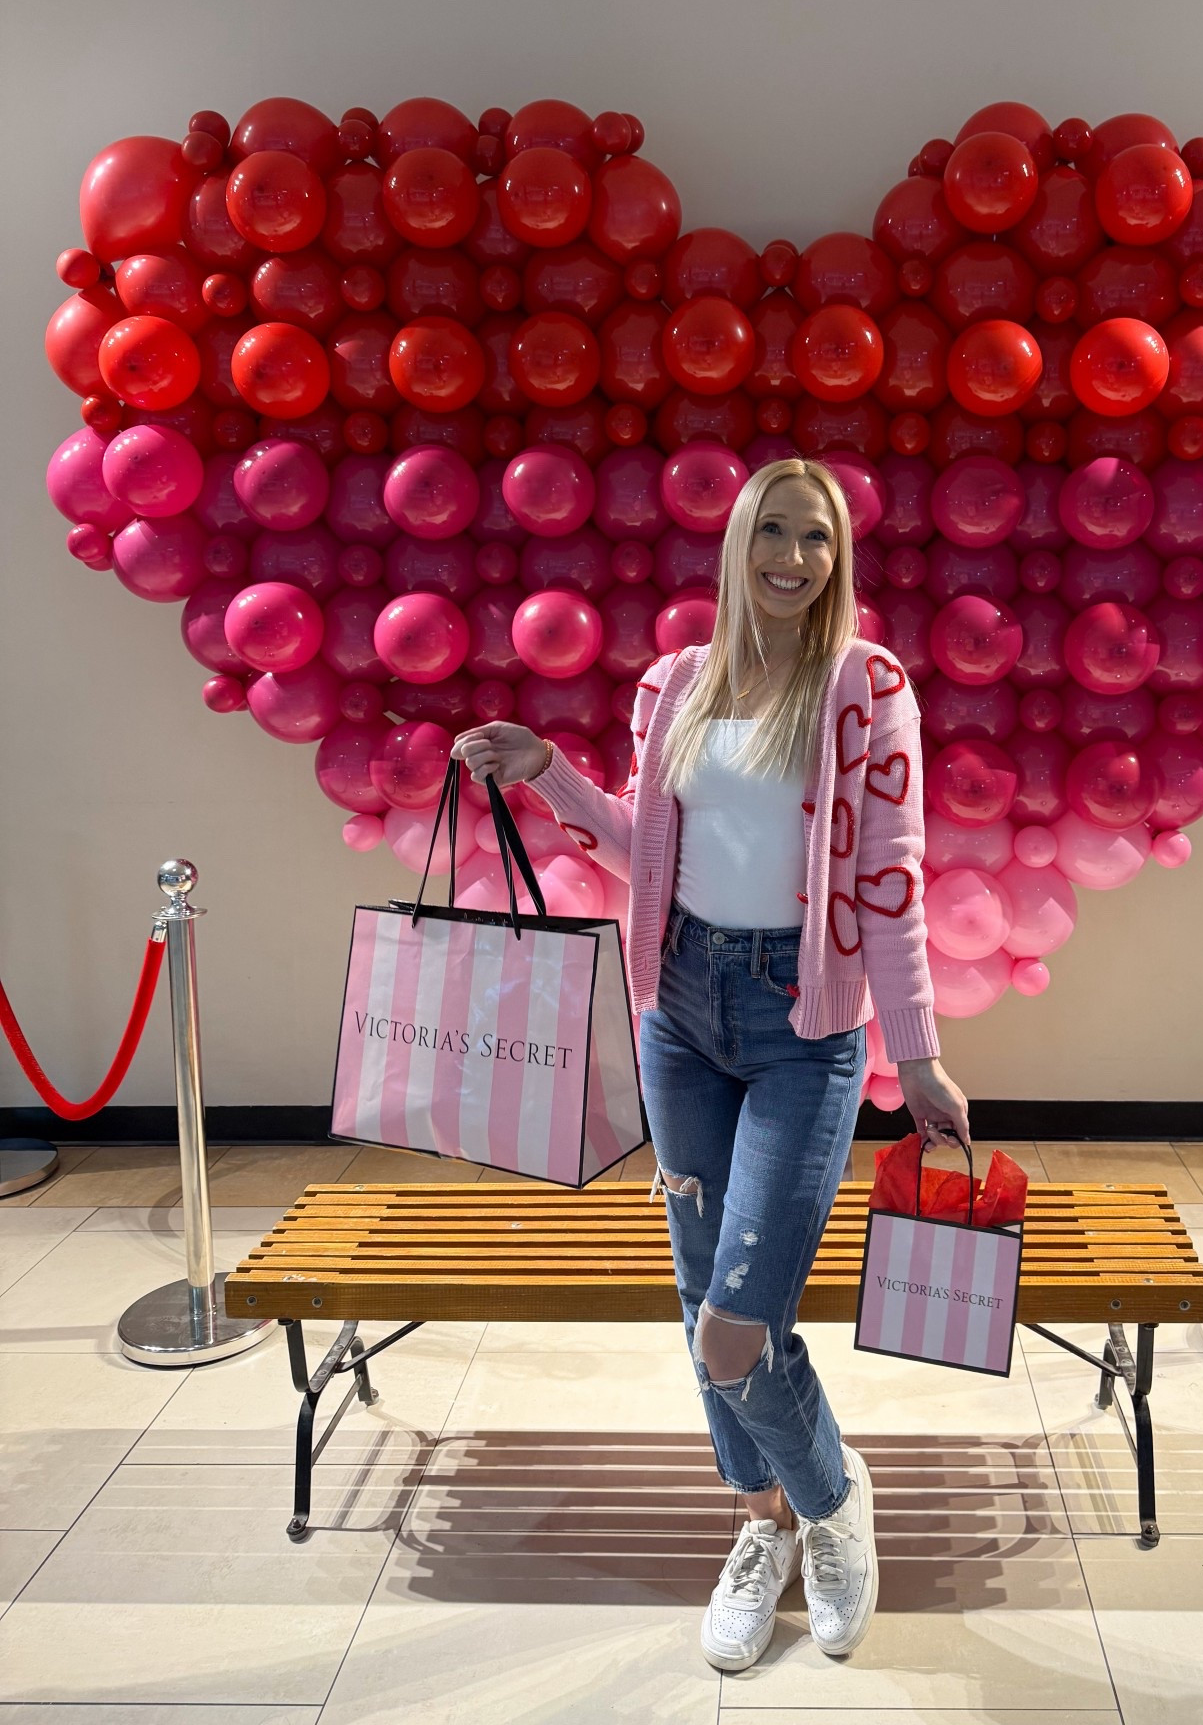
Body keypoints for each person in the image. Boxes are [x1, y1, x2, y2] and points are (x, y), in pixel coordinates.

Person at [452, 457, 968, 1673]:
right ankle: (762, 1526)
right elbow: (650, 847)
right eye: (774, 532)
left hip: (805, 1022)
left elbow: (889, 888)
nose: (794, 557)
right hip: (679, 1012)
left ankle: (835, 1505)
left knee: (739, 1326)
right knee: (703, 1308)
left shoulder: (863, 686)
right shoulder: (677, 680)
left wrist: (925, 1056)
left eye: (818, 539)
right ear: (737, 545)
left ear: (839, 559)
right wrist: (547, 772)